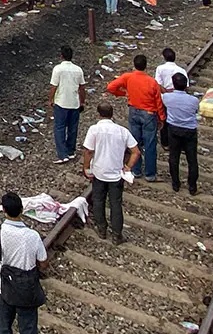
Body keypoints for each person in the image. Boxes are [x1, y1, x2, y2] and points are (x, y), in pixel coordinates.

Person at [0, 192, 47, 334]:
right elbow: (43, 263)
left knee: (2, 329)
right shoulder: (33, 236)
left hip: (4, 288)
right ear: (21, 210)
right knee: (29, 332)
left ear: (4, 210)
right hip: (27, 290)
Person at [82, 101, 141, 244]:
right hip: (116, 174)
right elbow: (136, 152)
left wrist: (86, 168)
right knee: (116, 204)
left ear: (98, 115)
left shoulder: (94, 130)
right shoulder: (122, 131)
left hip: (99, 172)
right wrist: (127, 167)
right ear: (111, 115)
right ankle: (117, 235)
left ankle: (101, 229)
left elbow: (89, 151)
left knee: (98, 200)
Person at [106, 55, 166, 182]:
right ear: (146, 65)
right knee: (150, 144)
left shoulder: (128, 77)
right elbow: (158, 102)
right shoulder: (152, 82)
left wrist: (123, 93)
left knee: (134, 142)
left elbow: (111, 87)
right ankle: (150, 174)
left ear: (134, 65)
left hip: (133, 111)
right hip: (149, 114)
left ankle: (136, 170)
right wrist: (161, 118)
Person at [163, 72, 200, 194]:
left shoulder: (167, 98)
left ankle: (175, 183)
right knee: (192, 159)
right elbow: (195, 111)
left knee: (174, 157)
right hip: (189, 130)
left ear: (173, 84)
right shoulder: (194, 100)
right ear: (186, 86)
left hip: (174, 129)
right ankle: (192, 186)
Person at [49, 45, 86, 163]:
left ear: (61, 56)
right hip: (74, 103)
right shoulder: (78, 69)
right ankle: (71, 151)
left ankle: (62, 154)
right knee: (72, 128)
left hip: (61, 102)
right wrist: (82, 101)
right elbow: (82, 88)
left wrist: (50, 99)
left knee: (59, 128)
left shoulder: (58, 69)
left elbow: (54, 86)